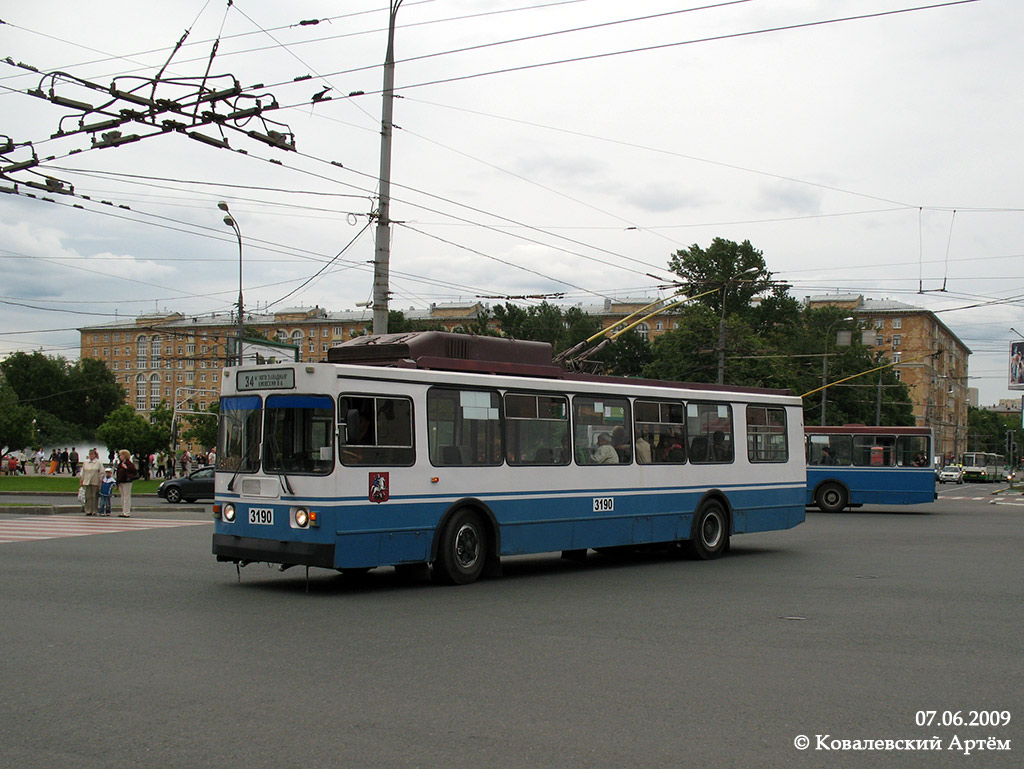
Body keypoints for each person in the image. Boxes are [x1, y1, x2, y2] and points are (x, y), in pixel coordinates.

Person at [79, 448, 104, 516]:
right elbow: (83, 472)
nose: (91, 455)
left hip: (95, 481)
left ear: (95, 455)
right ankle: (88, 510)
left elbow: (101, 472)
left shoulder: (98, 462)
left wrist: (100, 482)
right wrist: (81, 480)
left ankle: (94, 510)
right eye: (90, 454)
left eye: (92, 454)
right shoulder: (86, 462)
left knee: (94, 496)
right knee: (88, 496)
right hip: (87, 481)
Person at [115, 449, 137, 518]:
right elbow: (118, 473)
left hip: (127, 482)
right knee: (122, 497)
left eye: (121, 455)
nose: (119, 456)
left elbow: (134, 472)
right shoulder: (120, 463)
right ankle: (123, 511)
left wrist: (126, 468)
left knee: (126, 497)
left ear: (125, 455)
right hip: (121, 481)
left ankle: (126, 512)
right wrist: (117, 483)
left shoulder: (129, 464)